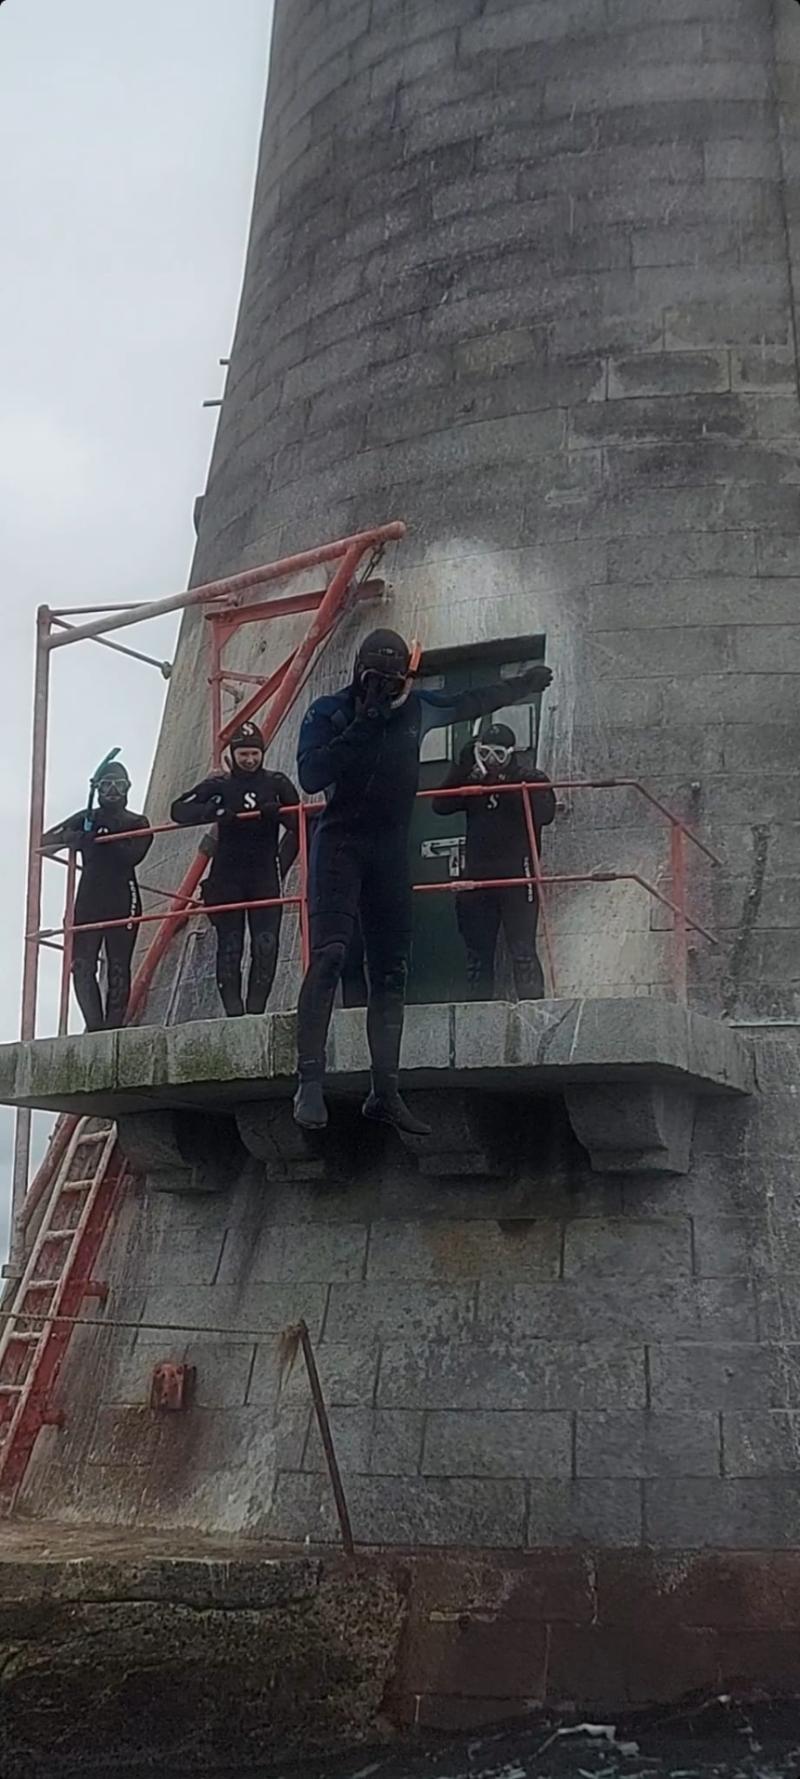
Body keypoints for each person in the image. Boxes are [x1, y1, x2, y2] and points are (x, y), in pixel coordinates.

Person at [293, 629, 553, 1133]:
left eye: (396, 679)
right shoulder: (329, 712)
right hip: (341, 844)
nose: (388, 687)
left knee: (392, 969)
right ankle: (309, 1081)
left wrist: (522, 685)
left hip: (390, 851)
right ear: (359, 672)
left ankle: (385, 1091)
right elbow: (311, 774)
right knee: (330, 954)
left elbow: (469, 701)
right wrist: (365, 720)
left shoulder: (416, 708)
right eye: (378, 677)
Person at [171, 720, 299, 1017]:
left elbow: (301, 822)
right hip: (227, 876)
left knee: (266, 945)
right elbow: (178, 809)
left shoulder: (276, 782)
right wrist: (212, 811)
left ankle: (256, 1012)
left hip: (265, 875)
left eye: (255, 753)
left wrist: (279, 815)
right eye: (244, 754)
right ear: (233, 754)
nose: (250, 760)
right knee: (230, 946)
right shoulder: (220, 785)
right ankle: (234, 1014)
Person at [432, 723, 556, 1001]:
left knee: (523, 952)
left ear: (511, 754)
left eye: (499, 754)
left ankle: (534, 1007)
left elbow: (546, 814)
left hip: (518, 878)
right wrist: (461, 768)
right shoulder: (473, 784)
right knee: (477, 957)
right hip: (478, 879)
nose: (491, 761)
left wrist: (511, 784)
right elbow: (440, 805)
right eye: (485, 753)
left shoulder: (527, 779)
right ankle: (478, 1013)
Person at [41, 756, 153, 1032]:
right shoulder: (86, 818)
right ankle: (94, 1027)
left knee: (118, 965)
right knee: (81, 964)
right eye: (106, 785)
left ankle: (113, 1027)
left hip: (124, 898)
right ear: (97, 788)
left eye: (119, 785)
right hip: (89, 900)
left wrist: (102, 840)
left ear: (128, 788)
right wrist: (70, 837)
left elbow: (133, 856)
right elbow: (44, 841)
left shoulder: (137, 821)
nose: (113, 791)